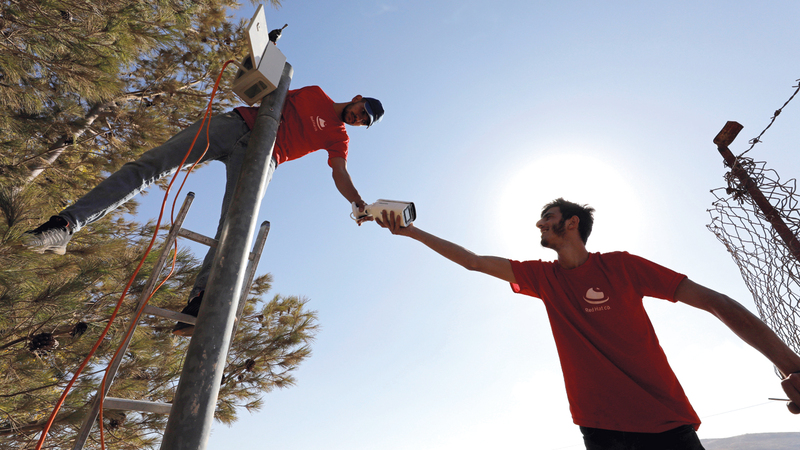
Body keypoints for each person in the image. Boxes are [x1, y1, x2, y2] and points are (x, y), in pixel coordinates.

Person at [376, 198, 800, 450]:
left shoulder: (624, 267)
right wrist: (412, 232)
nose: (540, 224)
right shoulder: (542, 277)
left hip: (666, 423)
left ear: (572, 222)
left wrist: (791, 365)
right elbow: (471, 261)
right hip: (600, 430)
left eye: (548, 217)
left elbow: (715, 301)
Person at [23, 85, 384, 336]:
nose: (357, 118)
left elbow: (339, 171)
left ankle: (199, 301)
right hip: (235, 125)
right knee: (150, 166)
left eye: (363, 121)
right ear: (356, 98)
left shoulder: (339, 138)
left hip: (262, 158)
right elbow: (263, 89)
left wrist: (357, 203)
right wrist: (263, 54)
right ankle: (63, 227)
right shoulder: (315, 93)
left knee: (234, 226)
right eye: (361, 110)